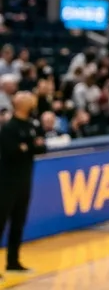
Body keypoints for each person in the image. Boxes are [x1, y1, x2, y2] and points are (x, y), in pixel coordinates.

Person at [0, 92, 43, 276]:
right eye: (31, 102)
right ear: (22, 105)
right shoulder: (9, 128)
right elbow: (11, 151)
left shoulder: (32, 125)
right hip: (6, 182)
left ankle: (13, 261)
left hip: (24, 181)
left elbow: (41, 147)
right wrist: (28, 146)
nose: (34, 105)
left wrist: (27, 147)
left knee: (19, 222)